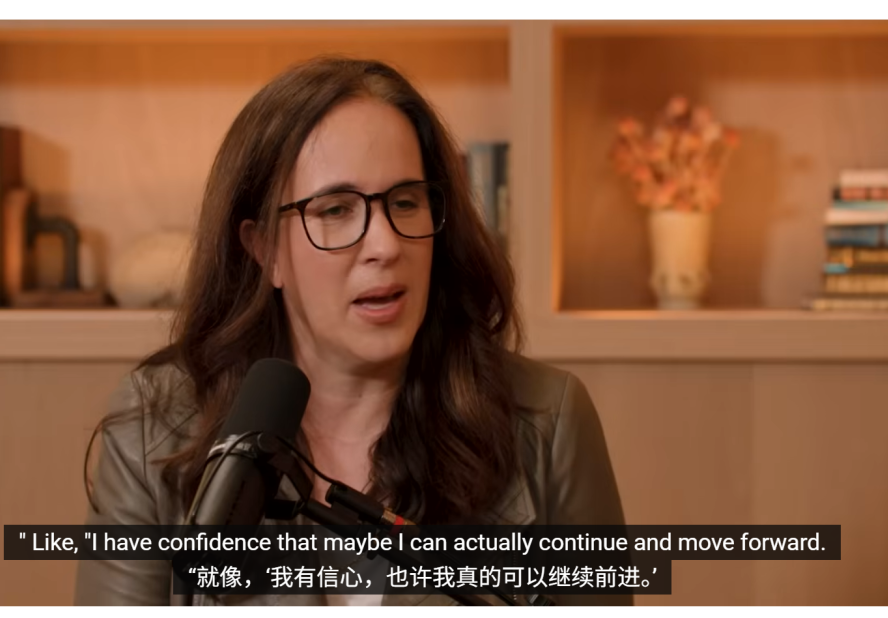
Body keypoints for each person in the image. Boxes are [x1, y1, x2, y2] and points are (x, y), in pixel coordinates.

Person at [74, 55, 627, 606]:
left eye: (405, 202)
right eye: (336, 210)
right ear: (265, 249)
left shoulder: (548, 421)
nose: (386, 245)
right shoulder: (154, 428)